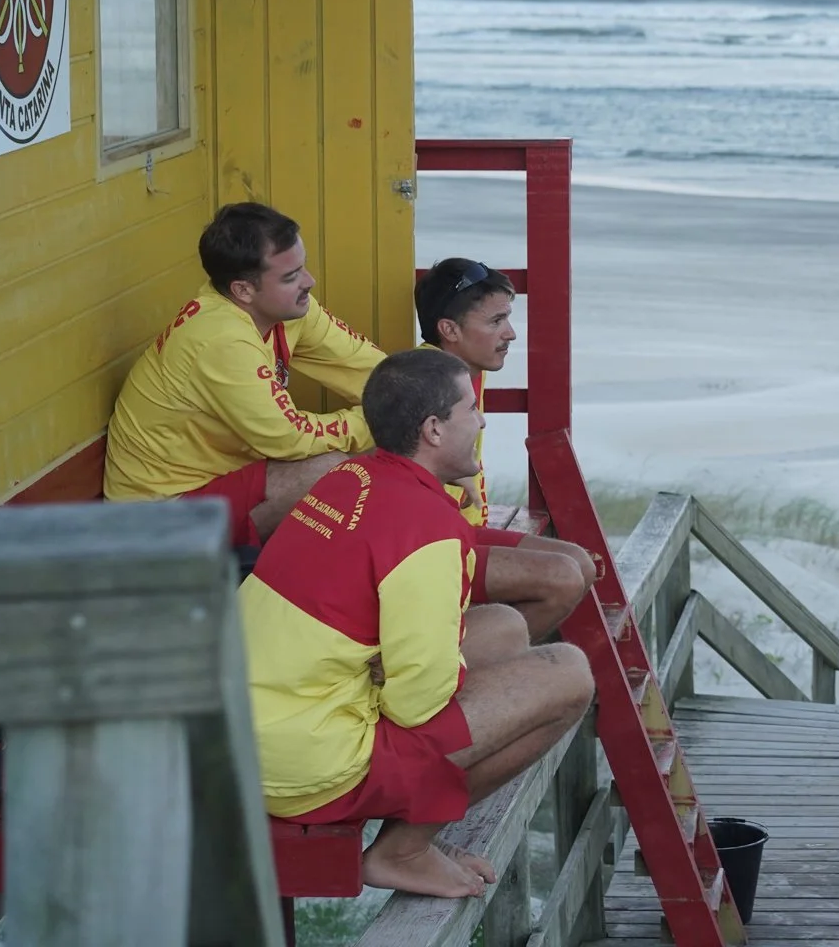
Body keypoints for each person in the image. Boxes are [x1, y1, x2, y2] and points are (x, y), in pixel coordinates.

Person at [241, 347, 596, 897]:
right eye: (471, 409)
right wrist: (422, 675)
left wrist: (399, 667)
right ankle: (402, 850)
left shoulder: (349, 479)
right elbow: (417, 704)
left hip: (253, 727)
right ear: (433, 429)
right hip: (304, 765)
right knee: (568, 674)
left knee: (502, 624)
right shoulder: (428, 528)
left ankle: (416, 835)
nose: (480, 421)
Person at [106, 203, 387, 547]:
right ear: (243, 290)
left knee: (386, 445)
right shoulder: (220, 339)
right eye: (290, 277)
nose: (309, 282)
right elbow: (288, 438)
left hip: (218, 482)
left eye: (303, 267)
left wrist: (409, 409)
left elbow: (372, 371)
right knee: (328, 468)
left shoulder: (289, 310)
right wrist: (380, 420)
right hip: (155, 520)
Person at [414, 257, 595, 639]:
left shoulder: (463, 374)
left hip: (466, 531)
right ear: (449, 329)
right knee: (563, 577)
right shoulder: (426, 384)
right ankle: (465, 665)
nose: (510, 333)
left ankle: (480, 657)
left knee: (581, 563)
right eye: (496, 321)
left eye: (507, 319)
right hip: (435, 547)